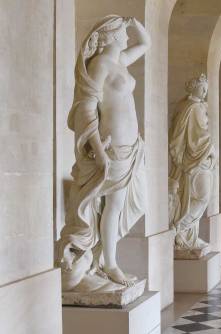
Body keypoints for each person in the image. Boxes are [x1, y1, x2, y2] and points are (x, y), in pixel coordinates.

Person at [58, 15, 150, 291]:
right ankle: (108, 264)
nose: (126, 37)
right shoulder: (98, 65)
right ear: (109, 36)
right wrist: (98, 150)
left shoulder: (119, 61)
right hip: (112, 150)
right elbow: (85, 109)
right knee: (109, 206)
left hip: (131, 148)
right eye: (122, 32)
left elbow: (146, 44)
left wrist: (134, 23)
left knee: (123, 205)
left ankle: (107, 261)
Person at [169, 74, 217, 257]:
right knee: (202, 197)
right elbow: (199, 138)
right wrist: (212, 149)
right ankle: (179, 229)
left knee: (191, 199)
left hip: (192, 161)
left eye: (206, 88)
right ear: (194, 87)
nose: (205, 92)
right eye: (203, 88)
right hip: (196, 161)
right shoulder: (194, 107)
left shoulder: (187, 106)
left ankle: (189, 236)